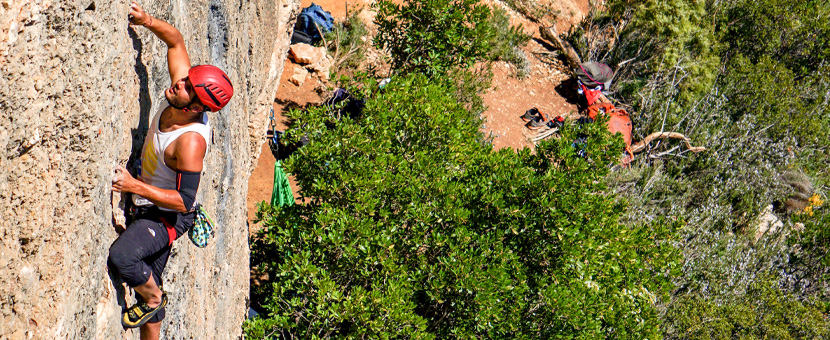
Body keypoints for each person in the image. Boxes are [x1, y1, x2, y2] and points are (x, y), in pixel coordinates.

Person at [109, 2, 233, 338]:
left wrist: (134, 186)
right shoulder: (182, 92)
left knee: (124, 258)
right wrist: (146, 20)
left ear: (195, 107)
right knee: (148, 270)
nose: (178, 84)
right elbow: (175, 42)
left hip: (167, 216)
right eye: (185, 81)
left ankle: (152, 297)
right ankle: (154, 299)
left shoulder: (190, 143)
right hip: (154, 200)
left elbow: (185, 202)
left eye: (187, 88)